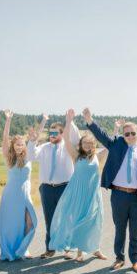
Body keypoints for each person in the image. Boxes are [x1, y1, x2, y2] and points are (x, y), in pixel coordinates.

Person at [83, 106, 137, 273]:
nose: (130, 136)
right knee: (120, 228)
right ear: (123, 135)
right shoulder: (117, 145)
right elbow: (101, 135)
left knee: (136, 230)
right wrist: (89, 121)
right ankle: (119, 258)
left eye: (132, 133)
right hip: (119, 195)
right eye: (126, 133)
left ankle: (135, 260)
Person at [49, 109, 108, 261]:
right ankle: (80, 252)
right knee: (79, 220)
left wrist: (114, 129)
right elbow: (67, 141)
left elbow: (110, 145)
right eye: (85, 143)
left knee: (95, 221)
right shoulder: (76, 156)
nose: (88, 145)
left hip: (93, 193)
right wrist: (68, 121)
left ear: (94, 144)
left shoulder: (97, 157)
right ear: (81, 144)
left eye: (90, 143)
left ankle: (95, 248)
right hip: (78, 193)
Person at [27, 114, 80, 258]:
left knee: (66, 218)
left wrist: (70, 122)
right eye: (50, 133)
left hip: (65, 187)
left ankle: (68, 249)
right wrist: (32, 141)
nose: (52, 135)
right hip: (47, 188)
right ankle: (50, 248)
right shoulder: (44, 147)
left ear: (62, 134)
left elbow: (75, 138)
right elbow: (30, 156)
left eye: (55, 133)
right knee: (49, 218)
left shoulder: (68, 146)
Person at [0, 110, 37, 260]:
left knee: (29, 221)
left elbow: (34, 141)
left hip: (25, 194)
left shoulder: (29, 156)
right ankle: (10, 249)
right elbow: (5, 139)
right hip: (11, 194)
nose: (19, 147)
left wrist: (34, 136)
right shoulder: (9, 158)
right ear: (13, 146)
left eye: (21, 144)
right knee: (11, 223)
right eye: (17, 144)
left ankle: (23, 248)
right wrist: (8, 120)